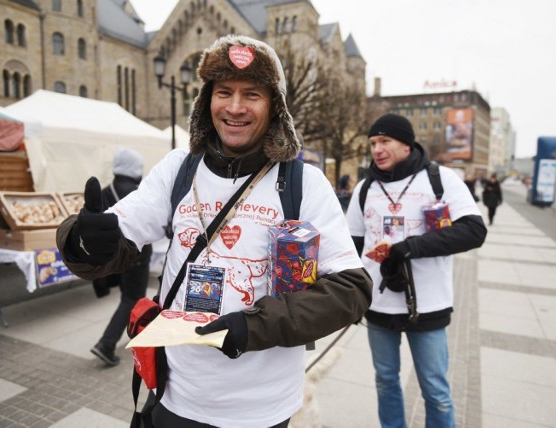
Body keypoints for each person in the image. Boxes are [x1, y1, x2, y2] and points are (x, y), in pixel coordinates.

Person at [56, 34, 372, 428]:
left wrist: (254, 324)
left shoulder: (303, 182)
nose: (235, 107)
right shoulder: (179, 167)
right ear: (207, 101)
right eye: (224, 92)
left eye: (252, 94)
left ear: (275, 108)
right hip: (177, 394)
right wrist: (85, 239)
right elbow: (120, 230)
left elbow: (351, 290)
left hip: (262, 407)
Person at [346, 113, 487, 428]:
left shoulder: (440, 179)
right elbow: (351, 246)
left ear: (406, 144)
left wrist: (411, 247)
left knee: (435, 390)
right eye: (372, 143)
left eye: (385, 141)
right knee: (385, 380)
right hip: (378, 305)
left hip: (428, 305)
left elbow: (473, 231)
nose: (377, 149)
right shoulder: (365, 188)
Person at [90, 148, 152, 366]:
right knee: (132, 298)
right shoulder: (138, 191)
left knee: (129, 296)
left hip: (115, 255)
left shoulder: (107, 191)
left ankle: (136, 332)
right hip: (136, 255)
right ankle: (106, 344)